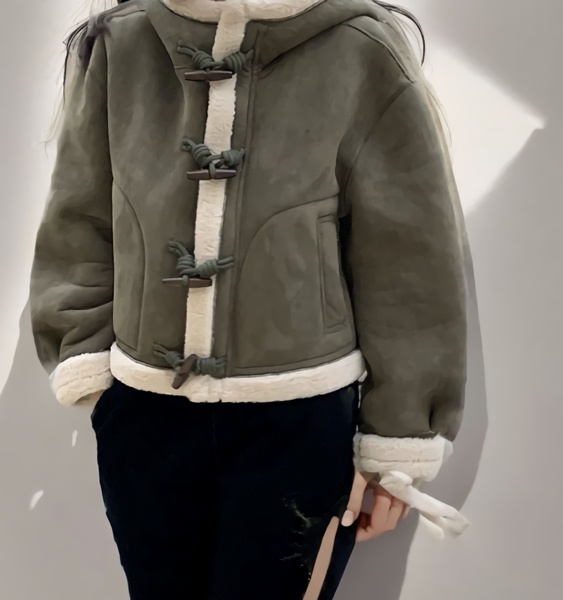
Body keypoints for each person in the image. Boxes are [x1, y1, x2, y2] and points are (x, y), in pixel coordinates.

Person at [28, 0, 473, 598]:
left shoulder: (360, 49)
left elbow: (409, 257)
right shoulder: (121, 44)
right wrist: (90, 367)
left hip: (299, 425)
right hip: (145, 419)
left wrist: (398, 442)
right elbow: (78, 219)